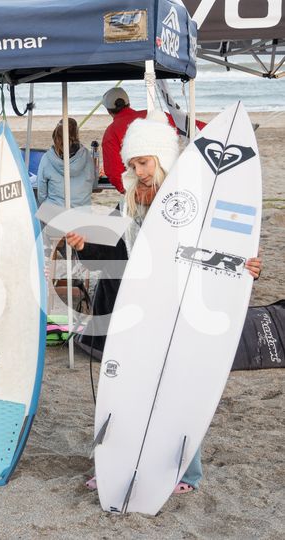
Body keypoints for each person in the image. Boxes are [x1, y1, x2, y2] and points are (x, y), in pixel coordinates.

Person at [66, 111, 262, 494]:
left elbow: (213, 249)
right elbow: (111, 259)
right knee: (124, 394)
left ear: (162, 159)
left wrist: (245, 265)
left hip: (177, 314)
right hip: (132, 315)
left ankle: (185, 473)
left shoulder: (190, 202)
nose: (138, 172)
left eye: (144, 162)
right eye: (132, 164)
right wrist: (85, 246)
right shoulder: (127, 205)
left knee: (177, 393)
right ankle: (112, 467)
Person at [101, 87, 205, 193]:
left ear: (108, 110)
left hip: (143, 189)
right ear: (128, 103)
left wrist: (133, 194)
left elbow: (115, 173)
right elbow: (196, 128)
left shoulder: (111, 133)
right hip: (173, 181)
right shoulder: (154, 115)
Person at [36, 118, 97, 208]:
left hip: (55, 211)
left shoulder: (47, 158)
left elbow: (41, 193)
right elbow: (93, 183)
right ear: (76, 134)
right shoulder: (86, 155)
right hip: (82, 211)